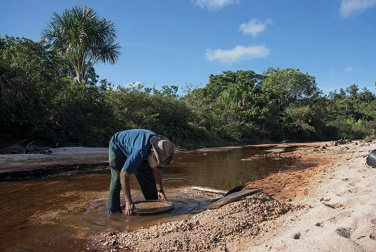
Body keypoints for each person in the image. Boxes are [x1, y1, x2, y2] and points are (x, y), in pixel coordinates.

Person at [108, 129, 174, 215]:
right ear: (152, 151)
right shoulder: (140, 152)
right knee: (117, 180)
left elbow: (157, 170)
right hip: (117, 146)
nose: (158, 163)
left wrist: (160, 190)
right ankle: (114, 213)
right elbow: (124, 174)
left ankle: (153, 202)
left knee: (147, 177)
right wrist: (128, 202)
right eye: (157, 160)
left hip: (139, 150)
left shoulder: (162, 149)